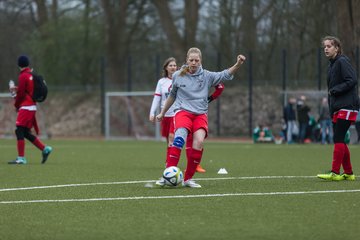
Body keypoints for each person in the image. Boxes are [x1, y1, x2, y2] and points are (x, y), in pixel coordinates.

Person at [155, 47, 246, 188]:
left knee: (198, 143)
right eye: (191, 60)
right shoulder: (178, 75)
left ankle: (187, 179)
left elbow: (225, 74)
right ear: (187, 60)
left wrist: (238, 64)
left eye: (196, 60)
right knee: (179, 139)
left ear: (200, 61)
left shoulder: (207, 76)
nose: (194, 63)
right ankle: (167, 175)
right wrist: (162, 112)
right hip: (182, 112)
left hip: (200, 114)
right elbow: (172, 95)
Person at [149, 58, 224, 173]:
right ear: (166, 68)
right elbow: (160, 97)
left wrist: (210, 98)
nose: (173, 67)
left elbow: (220, 86)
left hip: (185, 112)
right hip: (171, 114)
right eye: (171, 65)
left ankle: (191, 167)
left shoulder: (197, 76)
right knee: (172, 139)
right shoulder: (166, 81)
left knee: (191, 139)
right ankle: (169, 166)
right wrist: (154, 112)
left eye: (175, 65)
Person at [317, 36, 359, 181]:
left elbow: (352, 80)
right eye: (324, 47)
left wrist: (335, 90)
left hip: (347, 106)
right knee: (340, 139)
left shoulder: (342, 61)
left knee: (338, 138)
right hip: (338, 107)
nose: (326, 49)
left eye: (329, 46)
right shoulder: (331, 65)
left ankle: (335, 172)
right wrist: (331, 108)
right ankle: (348, 172)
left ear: (337, 48)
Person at [8, 55, 52, 164]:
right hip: (32, 106)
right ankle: (45, 149)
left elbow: (22, 94)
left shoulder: (23, 76)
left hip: (26, 107)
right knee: (25, 132)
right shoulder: (30, 74)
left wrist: (16, 105)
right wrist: (16, 89)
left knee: (19, 130)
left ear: (19, 65)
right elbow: (28, 90)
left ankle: (21, 158)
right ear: (28, 64)